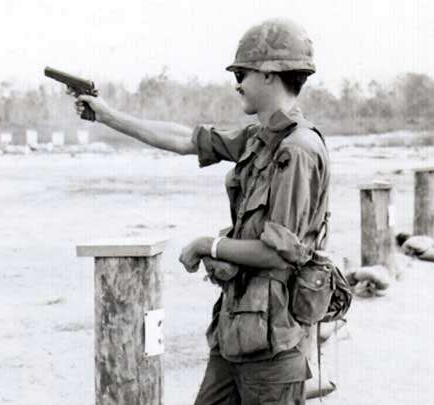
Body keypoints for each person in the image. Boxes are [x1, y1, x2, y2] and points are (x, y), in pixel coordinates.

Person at [72, 18, 330, 405]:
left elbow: (276, 250)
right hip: (238, 333)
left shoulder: (297, 150)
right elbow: (183, 139)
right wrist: (108, 116)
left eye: (242, 73)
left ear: (270, 75)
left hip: (274, 343)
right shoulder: (259, 139)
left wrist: (208, 246)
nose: (237, 83)